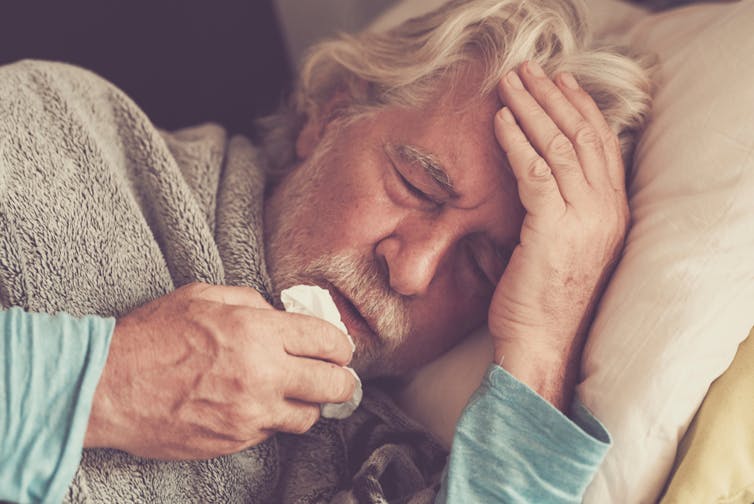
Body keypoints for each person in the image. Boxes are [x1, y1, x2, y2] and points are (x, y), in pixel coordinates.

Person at [0, 0, 652, 502]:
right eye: (416, 184)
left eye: (480, 267)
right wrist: (107, 384)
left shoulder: (382, 467)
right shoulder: (59, 136)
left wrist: (542, 350)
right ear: (328, 117)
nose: (413, 270)